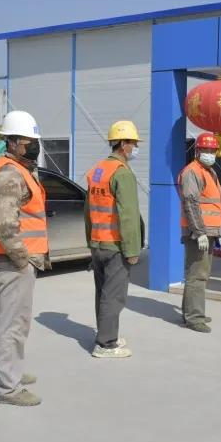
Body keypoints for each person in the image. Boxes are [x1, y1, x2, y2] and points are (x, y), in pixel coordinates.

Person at [0, 110, 48, 406]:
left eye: (34, 141)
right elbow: (5, 224)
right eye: (28, 141)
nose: (34, 146)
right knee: (11, 324)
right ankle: (8, 388)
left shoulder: (20, 170)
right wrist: (22, 259)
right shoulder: (9, 174)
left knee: (18, 322)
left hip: (21, 261)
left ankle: (11, 370)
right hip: (14, 262)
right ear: (12, 143)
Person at [84, 120, 142, 358]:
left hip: (98, 242)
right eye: (134, 143)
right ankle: (106, 343)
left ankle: (106, 333)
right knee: (114, 295)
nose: (136, 148)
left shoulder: (98, 170)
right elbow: (128, 215)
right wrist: (132, 250)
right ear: (123, 144)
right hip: (116, 245)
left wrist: (90, 241)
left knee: (102, 292)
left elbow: (88, 210)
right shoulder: (122, 173)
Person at [177, 132, 221, 333]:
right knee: (196, 275)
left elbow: (213, 205)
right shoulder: (192, 172)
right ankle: (194, 318)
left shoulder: (209, 172)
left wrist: (217, 232)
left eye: (213, 150)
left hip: (208, 232)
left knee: (200, 274)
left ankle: (191, 311)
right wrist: (199, 232)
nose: (210, 153)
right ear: (197, 151)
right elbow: (191, 203)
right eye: (206, 149)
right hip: (198, 234)